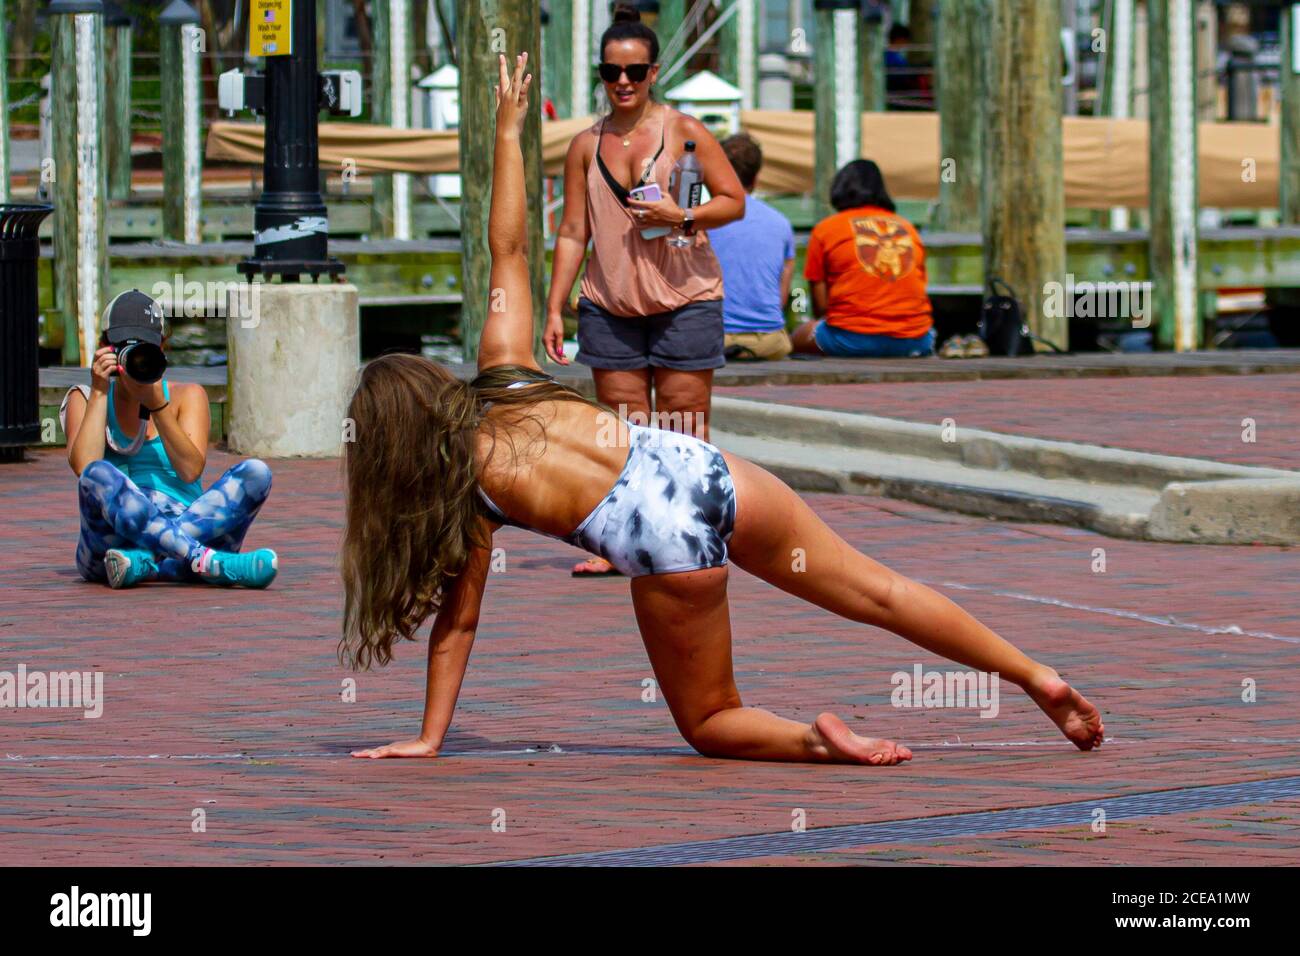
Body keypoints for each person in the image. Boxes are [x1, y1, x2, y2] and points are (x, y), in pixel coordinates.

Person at [344, 53, 1105, 765]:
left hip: (659, 536)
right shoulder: (504, 375)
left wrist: (429, 736)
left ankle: (813, 740)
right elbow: (507, 247)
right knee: (880, 588)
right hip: (704, 470)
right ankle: (1032, 672)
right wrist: (510, 133)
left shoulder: (465, 494)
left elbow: (460, 624)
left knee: (709, 723)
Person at [542, 3, 746, 575]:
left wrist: (684, 216)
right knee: (622, 432)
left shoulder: (684, 132)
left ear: (654, 72)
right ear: (601, 75)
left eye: (634, 72)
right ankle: (622, 546)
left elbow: (734, 202)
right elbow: (570, 232)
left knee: (684, 428)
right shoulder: (586, 143)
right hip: (610, 304)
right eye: (611, 73)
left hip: (685, 299)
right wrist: (555, 307)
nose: (623, 83)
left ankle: (692, 535)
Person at [61, 290, 278, 589]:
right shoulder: (84, 398)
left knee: (257, 473)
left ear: (162, 349)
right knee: (97, 474)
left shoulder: (186, 396)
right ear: (104, 348)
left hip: (177, 524)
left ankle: (147, 563)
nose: (135, 358)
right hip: (108, 544)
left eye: (145, 349)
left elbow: (189, 470)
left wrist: (157, 405)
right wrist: (99, 391)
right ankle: (206, 562)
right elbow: (85, 468)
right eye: (124, 348)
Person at [792, 159, 936, 358]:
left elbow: (821, 306)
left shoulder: (825, 229)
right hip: (917, 341)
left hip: (851, 340)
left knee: (798, 335)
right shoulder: (909, 229)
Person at [709, 132, 796, 362]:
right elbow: (783, 298)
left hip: (714, 339)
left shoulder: (701, 219)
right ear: (756, 178)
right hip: (770, 341)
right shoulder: (781, 223)